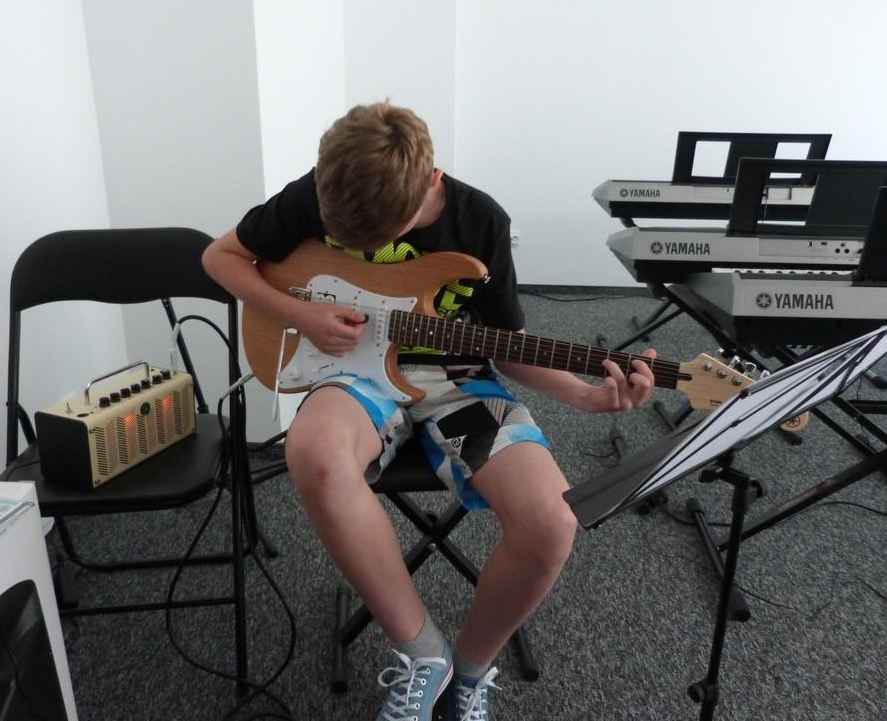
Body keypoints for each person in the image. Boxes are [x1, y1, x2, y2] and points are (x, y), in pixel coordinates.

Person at [202, 101, 657, 721]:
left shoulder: (479, 220)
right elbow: (220, 257)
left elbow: (509, 345)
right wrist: (299, 313)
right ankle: (423, 656)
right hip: (354, 374)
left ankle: (469, 671)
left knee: (552, 520)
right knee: (314, 453)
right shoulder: (322, 190)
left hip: (457, 379)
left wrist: (584, 394)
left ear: (432, 180)